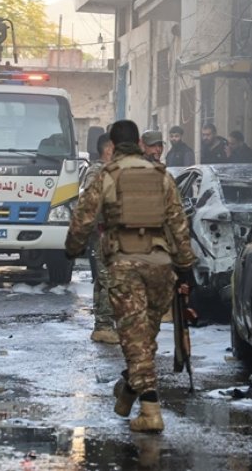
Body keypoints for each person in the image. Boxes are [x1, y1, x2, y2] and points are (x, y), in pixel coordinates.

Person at [65, 119, 196, 433]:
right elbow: (179, 224)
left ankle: (150, 410)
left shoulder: (108, 176)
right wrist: (185, 266)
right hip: (161, 265)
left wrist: (72, 249)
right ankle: (126, 391)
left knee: (135, 342)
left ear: (112, 142)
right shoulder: (162, 176)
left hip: (125, 263)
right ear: (139, 142)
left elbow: (83, 217)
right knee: (144, 339)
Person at [81, 133, 118, 344]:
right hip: (104, 234)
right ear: (109, 149)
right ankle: (104, 326)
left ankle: (103, 325)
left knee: (105, 279)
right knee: (108, 280)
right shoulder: (97, 172)